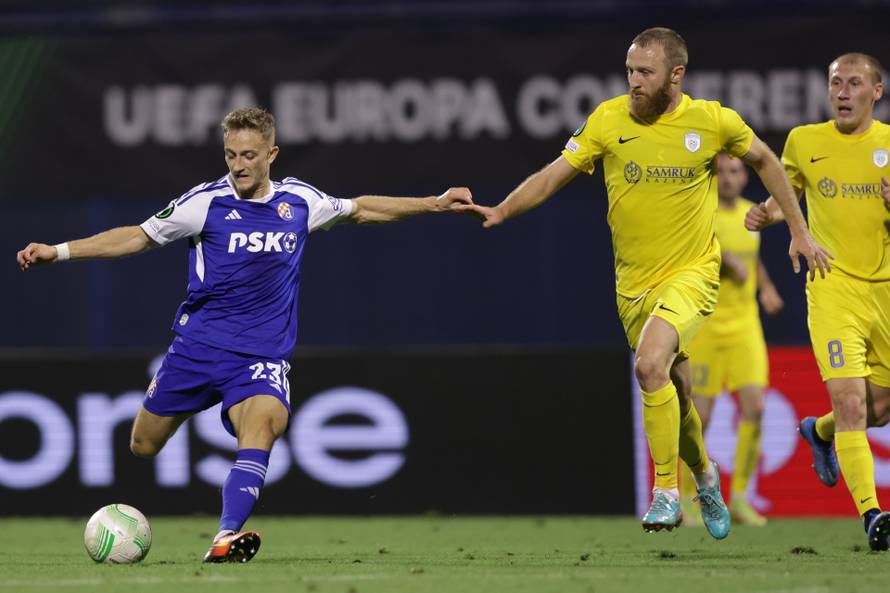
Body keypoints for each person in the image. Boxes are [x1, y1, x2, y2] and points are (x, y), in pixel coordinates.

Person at [16, 107, 472, 563]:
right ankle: (212, 480)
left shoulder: (299, 201)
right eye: (231, 154)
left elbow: (363, 209)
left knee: (266, 422)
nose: (238, 165)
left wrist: (434, 202)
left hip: (261, 354)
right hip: (196, 349)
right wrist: (58, 252)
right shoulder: (205, 203)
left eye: (249, 155)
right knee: (142, 445)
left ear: (271, 154)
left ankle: (225, 537)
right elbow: (136, 237)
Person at [457, 27, 830, 540]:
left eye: (645, 72)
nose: (634, 81)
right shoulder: (608, 120)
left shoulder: (713, 120)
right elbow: (552, 174)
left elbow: (766, 160)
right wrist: (503, 209)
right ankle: (704, 475)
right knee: (675, 393)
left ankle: (665, 494)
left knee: (648, 364)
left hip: (693, 274)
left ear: (675, 76)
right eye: (630, 70)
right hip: (633, 286)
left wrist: (799, 229)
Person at [745, 53, 890, 551]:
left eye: (854, 83)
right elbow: (786, 191)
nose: (843, 92)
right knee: (851, 401)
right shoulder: (805, 142)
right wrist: (767, 215)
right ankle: (873, 516)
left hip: (886, 291)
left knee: (881, 409)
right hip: (831, 286)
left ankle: (819, 432)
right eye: (836, 83)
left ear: (877, 91)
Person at [679, 153, 784, 527]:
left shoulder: (751, 215)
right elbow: (691, 253)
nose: (726, 177)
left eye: (734, 171)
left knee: (755, 408)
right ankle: (688, 500)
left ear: (744, 178)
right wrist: (724, 260)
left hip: (745, 327)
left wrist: (767, 288)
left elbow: (751, 259)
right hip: (706, 326)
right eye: (720, 171)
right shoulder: (702, 213)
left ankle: (740, 497)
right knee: (700, 418)